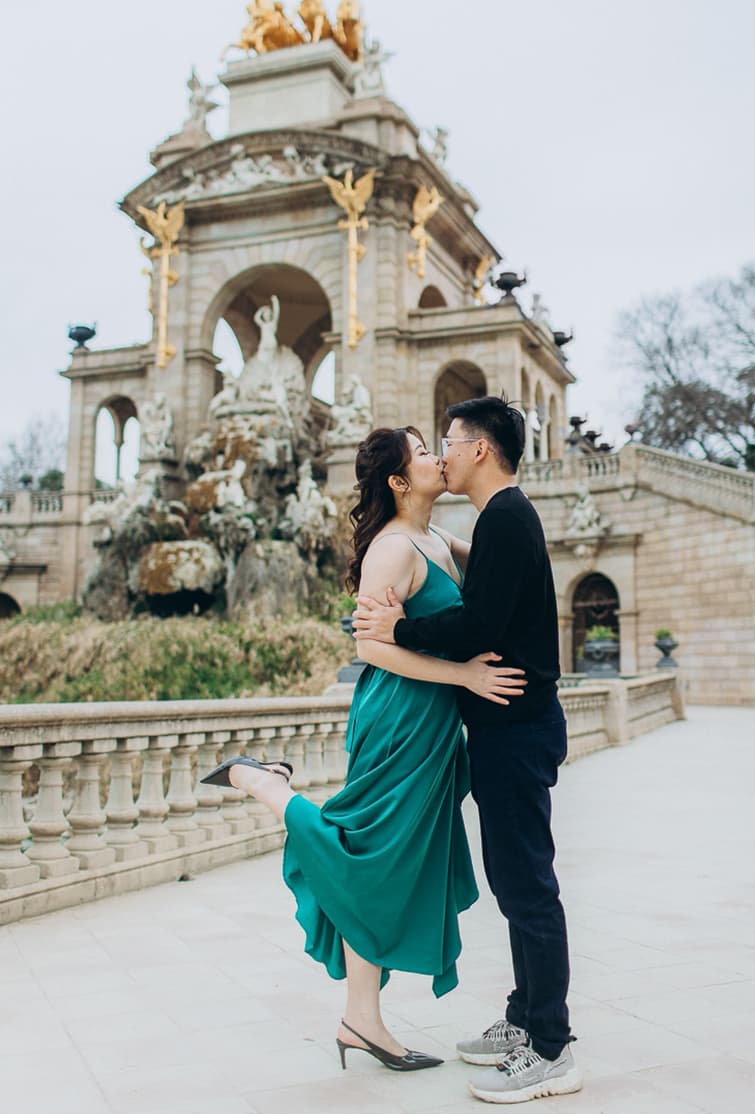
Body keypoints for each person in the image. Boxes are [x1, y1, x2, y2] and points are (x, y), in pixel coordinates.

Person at [202, 426, 525, 1073]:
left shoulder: (435, 539)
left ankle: (361, 1019)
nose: (439, 457)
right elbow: (369, 648)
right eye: (424, 453)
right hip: (399, 716)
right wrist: (464, 676)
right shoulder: (392, 549)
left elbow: (499, 557)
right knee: (371, 852)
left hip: (431, 723)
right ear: (400, 482)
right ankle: (267, 786)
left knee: (387, 864)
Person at [353, 395, 583, 1103]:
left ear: (479, 449)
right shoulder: (500, 521)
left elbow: (476, 621)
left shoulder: (508, 519)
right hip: (506, 729)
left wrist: (398, 631)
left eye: (448, 441)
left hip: (513, 729)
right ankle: (523, 1017)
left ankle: (550, 1046)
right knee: (517, 885)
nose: (443, 453)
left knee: (526, 890)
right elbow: (476, 581)